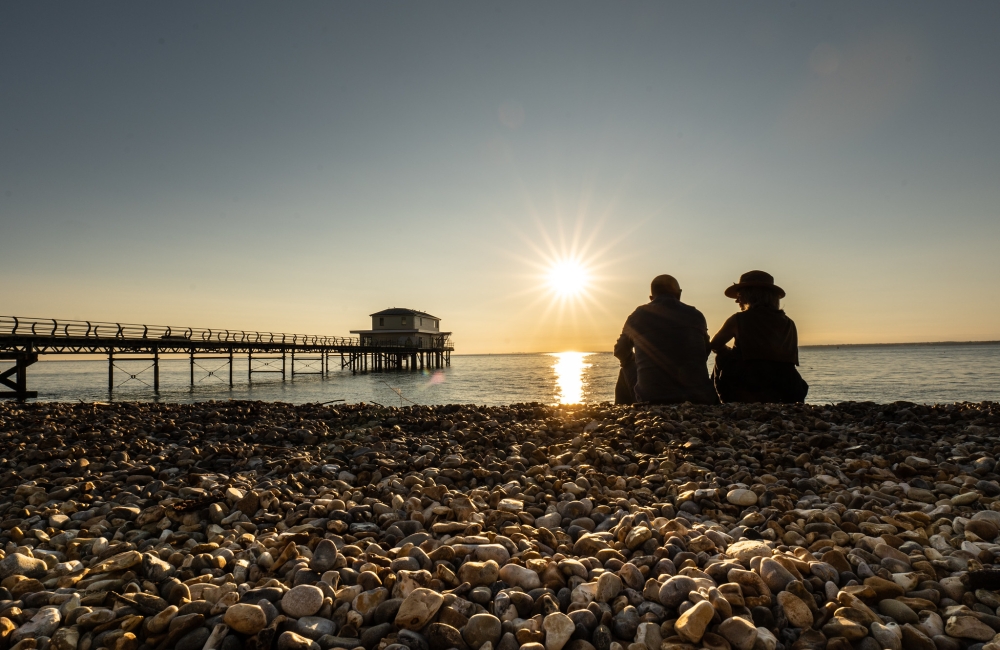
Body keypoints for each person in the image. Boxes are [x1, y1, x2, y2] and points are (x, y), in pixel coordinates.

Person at [613, 275, 719, 405]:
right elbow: (705, 350)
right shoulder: (696, 315)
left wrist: (635, 360)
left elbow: (620, 351)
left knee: (626, 367)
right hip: (701, 398)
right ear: (679, 294)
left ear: (651, 298)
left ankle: (621, 411)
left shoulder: (638, 315)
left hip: (653, 399)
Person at [710, 270, 808, 403]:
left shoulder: (739, 319)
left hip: (749, 387)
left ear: (750, 295)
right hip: (789, 388)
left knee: (722, 356)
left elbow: (715, 344)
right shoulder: (789, 323)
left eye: (739, 295)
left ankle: (717, 401)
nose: (737, 300)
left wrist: (727, 352)